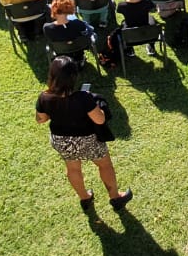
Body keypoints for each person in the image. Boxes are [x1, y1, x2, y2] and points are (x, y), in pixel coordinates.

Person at [35, 56, 130, 211]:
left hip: (61, 141)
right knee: (104, 165)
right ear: (73, 77)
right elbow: (99, 120)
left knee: (73, 169)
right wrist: (101, 109)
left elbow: (41, 119)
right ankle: (115, 197)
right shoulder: (84, 98)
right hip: (87, 140)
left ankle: (85, 198)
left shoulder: (44, 97)